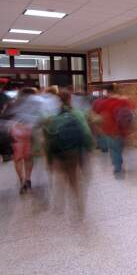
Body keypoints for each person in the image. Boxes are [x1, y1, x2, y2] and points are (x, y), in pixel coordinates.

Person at [43, 89, 94, 219]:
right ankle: (79, 206)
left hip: (59, 154)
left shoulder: (51, 117)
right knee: (74, 180)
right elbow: (87, 134)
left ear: (57, 100)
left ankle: (59, 205)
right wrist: (89, 149)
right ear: (70, 99)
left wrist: (49, 160)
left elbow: (48, 140)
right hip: (74, 152)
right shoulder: (77, 114)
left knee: (60, 179)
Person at [91, 85, 134, 176]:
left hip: (111, 131)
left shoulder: (106, 102)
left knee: (114, 150)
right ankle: (119, 163)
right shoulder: (124, 101)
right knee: (119, 148)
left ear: (107, 91)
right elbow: (132, 111)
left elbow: (95, 111)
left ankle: (118, 167)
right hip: (123, 131)